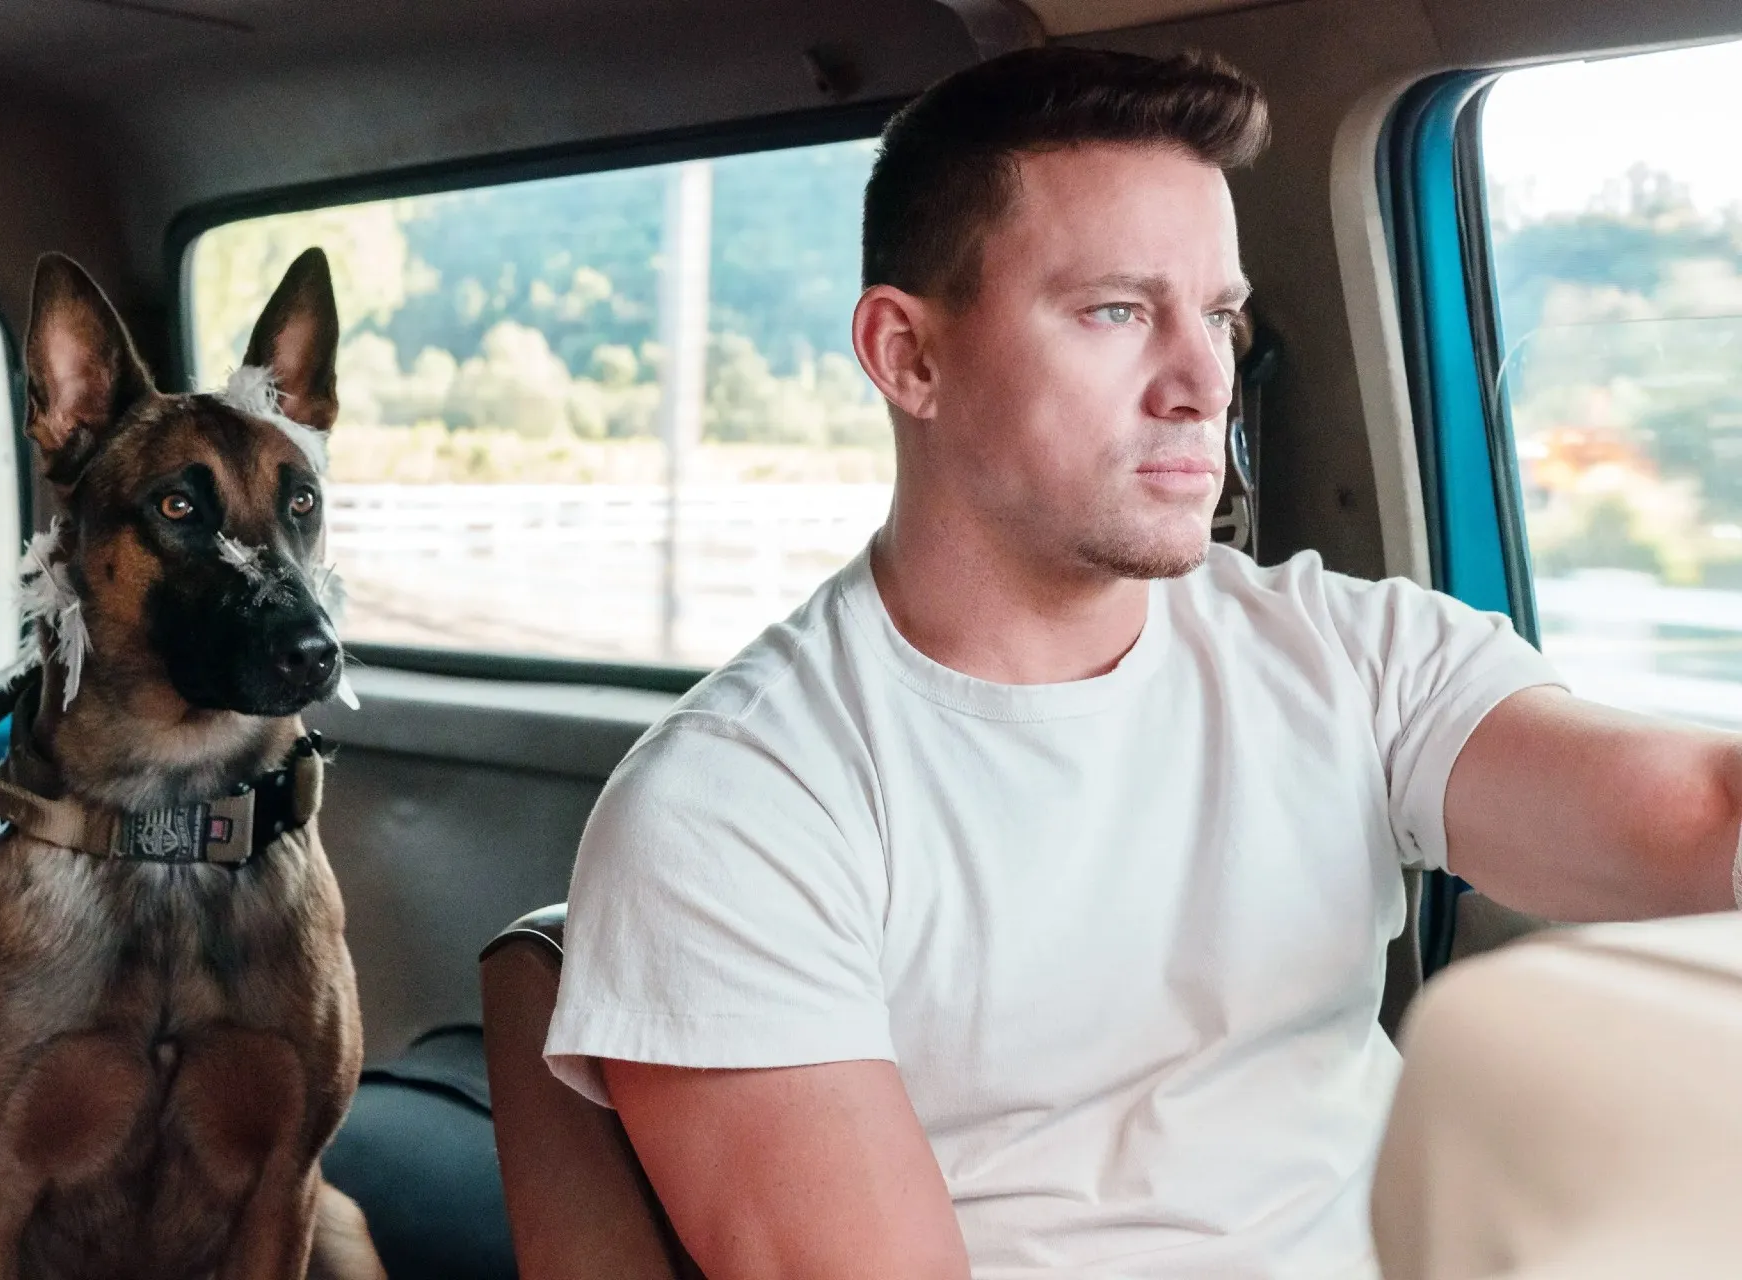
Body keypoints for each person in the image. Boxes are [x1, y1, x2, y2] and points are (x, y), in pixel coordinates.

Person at [541, 46, 1740, 1279]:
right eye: (1117, 310)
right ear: (908, 356)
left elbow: (1702, 814)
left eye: (1217, 314)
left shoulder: (1353, 651)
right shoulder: (735, 809)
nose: (1202, 378)